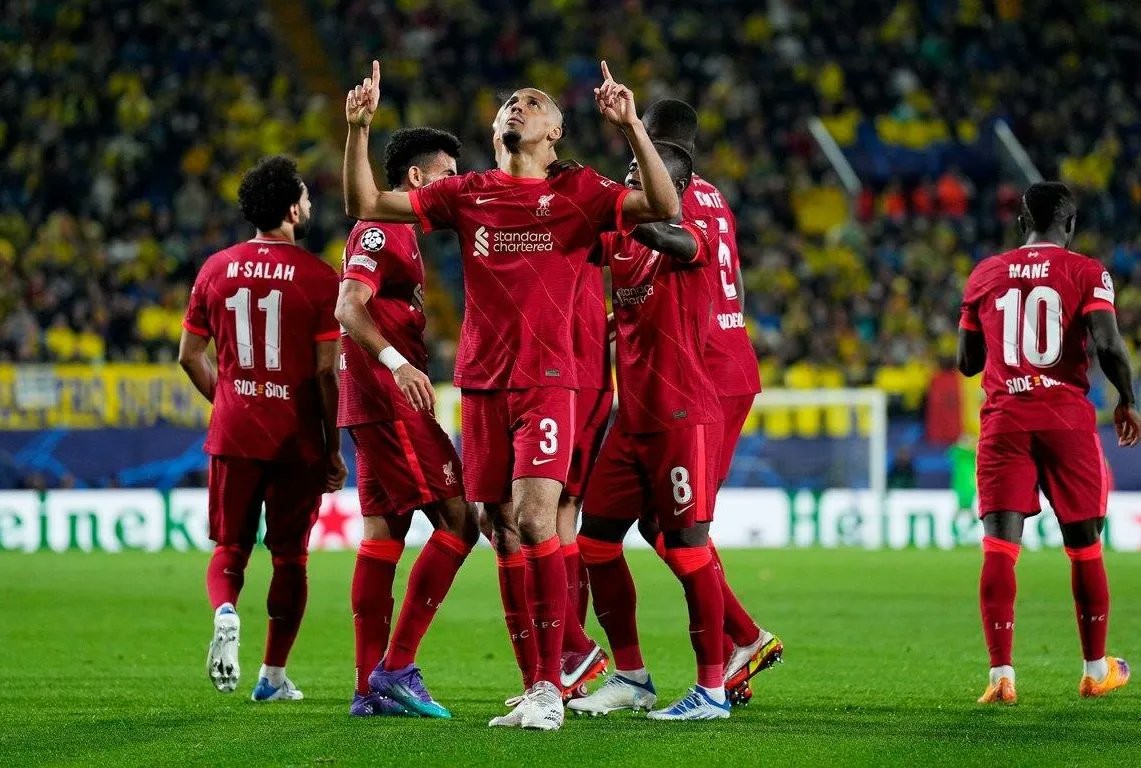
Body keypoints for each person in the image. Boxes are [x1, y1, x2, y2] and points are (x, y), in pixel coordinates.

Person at [343, 59, 679, 731]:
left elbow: (663, 208)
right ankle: (534, 684)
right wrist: (358, 128)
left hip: (548, 381)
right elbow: (367, 204)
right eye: (509, 103)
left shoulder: (579, 190)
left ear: (555, 131)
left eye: (533, 102)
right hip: (481, 384)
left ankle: (553, 684)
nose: (517, 107)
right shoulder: (468, 192)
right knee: (499, 526)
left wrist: (631, 126)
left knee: (533, 518)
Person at [958, 181, 1140, 705]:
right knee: (1084, 548)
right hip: (1065, 420)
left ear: (1021, 223)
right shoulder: (1087, 272)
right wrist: (1127, 399)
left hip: (1005, 420)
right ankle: (1095, 669)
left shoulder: (985, 273)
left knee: (1000, 546)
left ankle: (1001, 676)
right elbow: (1107, 344)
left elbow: (967, 363)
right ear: (1071, 226)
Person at [567, 145, 731, 721]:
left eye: (647, 174)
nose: (633, 179)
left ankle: (711, 690)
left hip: (682, 417)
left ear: (675, 188)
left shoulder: (689, 238)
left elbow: (666, 234)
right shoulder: (621, 241)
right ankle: (633, 677)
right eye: (631, 172)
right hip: (631, 421)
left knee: (689, 549)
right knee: (595, 542)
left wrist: (619, 206)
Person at [179, 155, 346, 702]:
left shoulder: (215, 268)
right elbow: (325, 374)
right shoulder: (321, 278)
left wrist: (228, 400)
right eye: (306, 196)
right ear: (293, 209)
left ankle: (226, 612)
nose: (310, 204)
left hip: (234, 432)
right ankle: (272, 677)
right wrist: (333, 448)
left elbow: (189, 356)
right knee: (290, 558)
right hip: (296, 438)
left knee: (230, 547)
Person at [639, 98, 781, 706]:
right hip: (726, 357)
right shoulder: (714, 195)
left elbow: (676, 247)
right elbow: (735, 281)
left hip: (708, 373)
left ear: (653, 138)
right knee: (662, 522)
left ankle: (743, 642)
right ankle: (743, 639)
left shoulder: (675, 196)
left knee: (682, 525)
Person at [336, 127, 479, 719]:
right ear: (417, 179)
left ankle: (368, 689)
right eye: (448, 174)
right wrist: (397, 363)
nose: (456, 184)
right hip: (390, 402)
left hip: (371, 403)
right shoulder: (382, 227)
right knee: (460, 522)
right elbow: (348, 306)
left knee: (382, 537)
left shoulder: (403, 233)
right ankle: (395, 669)